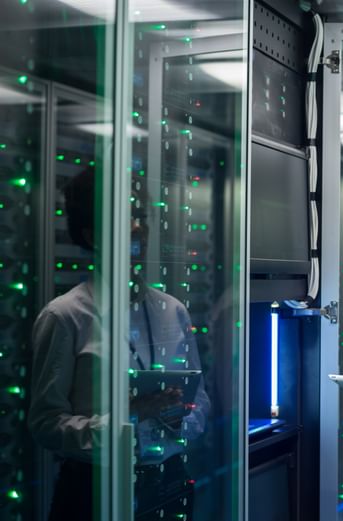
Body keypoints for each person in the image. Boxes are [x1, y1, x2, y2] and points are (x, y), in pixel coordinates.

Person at [28, 169, 210, 521]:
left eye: (141, 215)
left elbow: (201, 400)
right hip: (94, 489)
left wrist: (178, 417)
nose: (139, 227)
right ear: (92, 234)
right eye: (127, 216)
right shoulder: (66, 316)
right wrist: (130, 416)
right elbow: (46, 424)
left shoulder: (173, 310)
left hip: (169, 481)